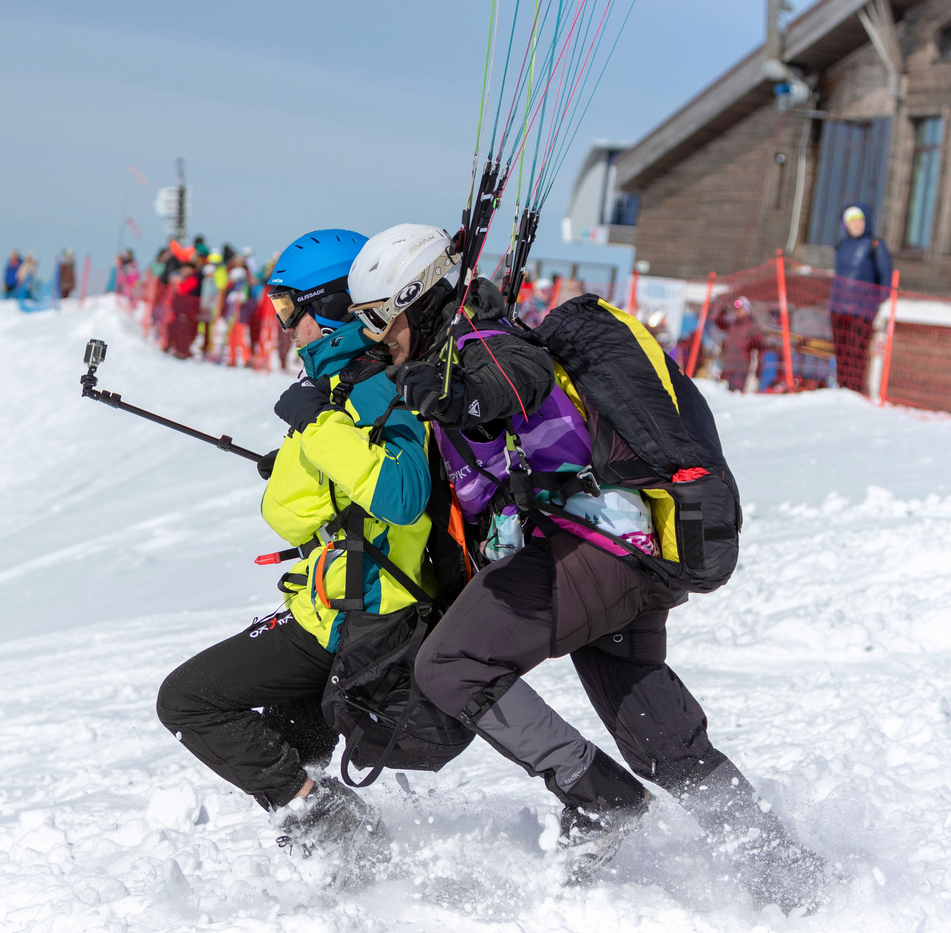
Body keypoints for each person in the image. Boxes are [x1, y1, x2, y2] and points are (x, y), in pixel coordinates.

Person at [345, 224, 826, 911]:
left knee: (451, 664)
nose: (374, 335)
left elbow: (513, 382)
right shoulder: (467, 343)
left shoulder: (482, 349)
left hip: (593, 548)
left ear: (416, 300)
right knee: (661, 741)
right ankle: (788, 873)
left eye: (378, 318)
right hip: (627, 552)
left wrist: (452, 397)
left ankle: (600, 801)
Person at [157, 228, 432, 871]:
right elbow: (342, 477)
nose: (286, 327)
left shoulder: (370, 385)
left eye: (291, 308)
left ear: (335, 304)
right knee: (288, 744)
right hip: (338, 594)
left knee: (188, 700)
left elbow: (400, 490)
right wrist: (297, 458)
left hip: (355, 607)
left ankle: (330, 824)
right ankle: (341, 870)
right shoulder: (345, 382)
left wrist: (315, 427)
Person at [828, 204, 893, 392]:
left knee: (856, 351)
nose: (856, 225)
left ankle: (854, 389)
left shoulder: (875, 245)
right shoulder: (842, 245)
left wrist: (875, 300)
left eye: (859, 220)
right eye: (852, 221)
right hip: (838, 308)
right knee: (841, 351)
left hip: (862, 310)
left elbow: (886, 279)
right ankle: (841, 387)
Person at [716, 297, 764, 392]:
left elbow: (759, 348)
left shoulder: (752, 326)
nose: (737, 312)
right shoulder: (733, 324)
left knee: (736, 394)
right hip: (729, 365)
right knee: (725, 395)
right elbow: (718, 322)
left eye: (740, 309)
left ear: (747, 310)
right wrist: (722, 308)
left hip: (742, 366)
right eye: (736, 310)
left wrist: (758, 369)